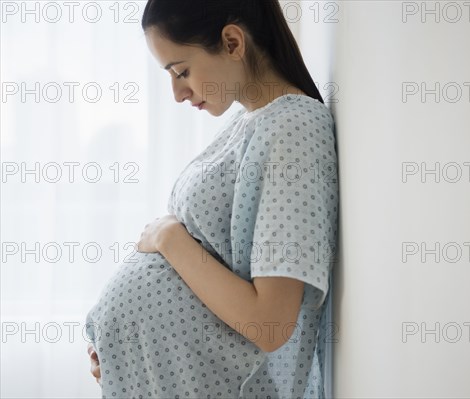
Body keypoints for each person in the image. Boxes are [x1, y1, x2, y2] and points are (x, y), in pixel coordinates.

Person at [85, 0, 339, 397]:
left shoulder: (293, 127)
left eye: (182, 71)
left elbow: (269, 321)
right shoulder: (251, 121)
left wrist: (169, 237)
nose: (177, 93)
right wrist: (123, 346)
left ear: (233, 42)